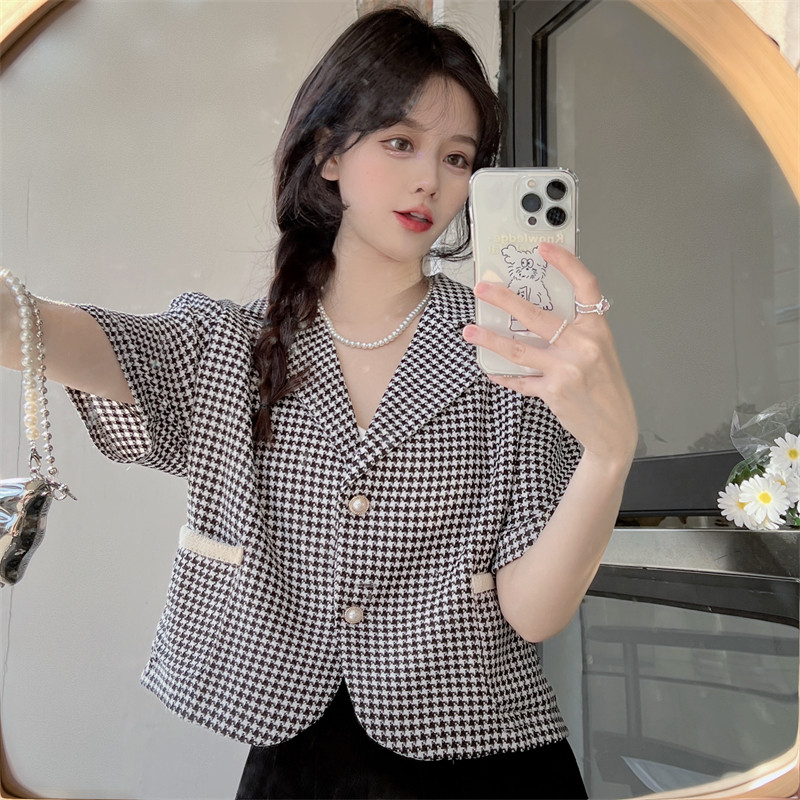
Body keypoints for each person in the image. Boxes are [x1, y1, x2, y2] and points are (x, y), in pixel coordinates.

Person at [0, 6, 637, 798]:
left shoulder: (509, 352)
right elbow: (44, 331)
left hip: (489, 762)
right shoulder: (229, 347)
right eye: (400, 142)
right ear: (330, 151)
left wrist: (609, 456)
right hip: (299, 767)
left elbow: (533, 613)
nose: (429, 180)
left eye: (457, 157)